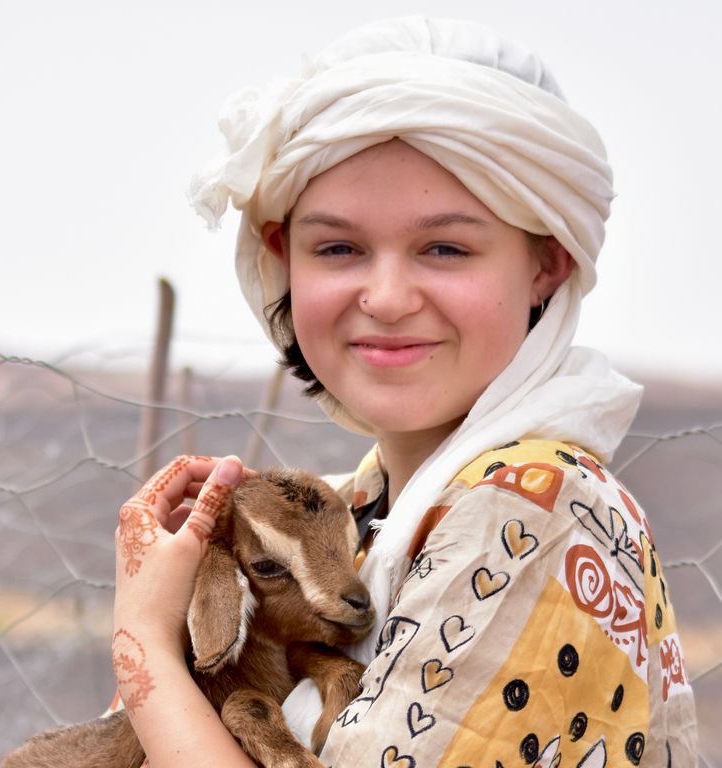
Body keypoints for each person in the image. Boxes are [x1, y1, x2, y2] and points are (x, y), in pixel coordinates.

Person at [110, 17, 699, 767]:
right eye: (339, 248)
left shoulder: (525, 507)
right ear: (282, 257)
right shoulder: (363, 509)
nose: (385, 297)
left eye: (445, 248)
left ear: (546, 264)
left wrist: (143, 646)